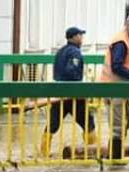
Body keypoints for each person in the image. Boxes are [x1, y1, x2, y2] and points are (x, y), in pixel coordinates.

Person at [40, 26, 97, 157]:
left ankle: (43, 153)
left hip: (58, 93)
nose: (82, 38)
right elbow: (72, 71)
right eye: (80, 35)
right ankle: (92, 151)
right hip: (74, 94)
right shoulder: (75, 52)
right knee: (88, 122)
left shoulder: (60, 51)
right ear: (74, 37)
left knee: (53, 124)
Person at [100, 14, 129, 159]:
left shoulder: (128, 40)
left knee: (122, 124)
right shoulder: (121, 42)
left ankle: (116, 157)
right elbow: (117, 66)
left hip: (120, 88)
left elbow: (125, 63)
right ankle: (115, 159)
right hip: (115, 88)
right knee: (118, 127)